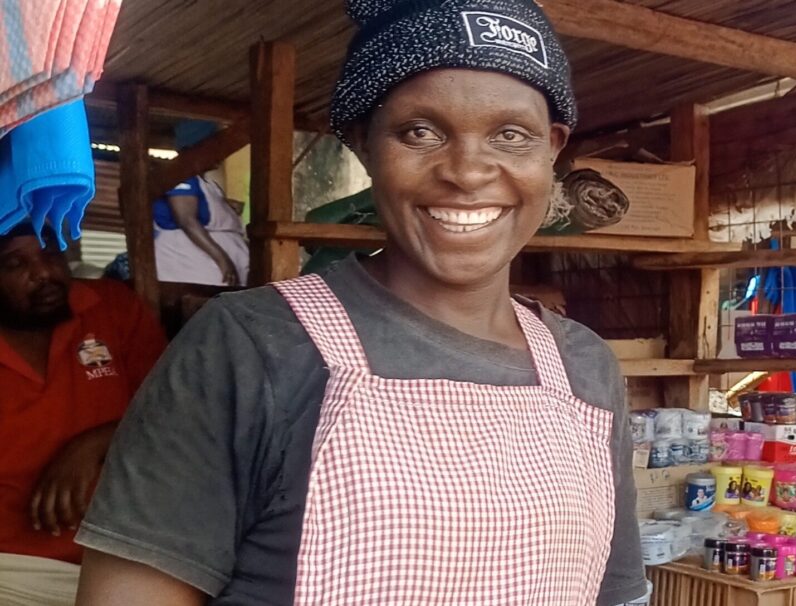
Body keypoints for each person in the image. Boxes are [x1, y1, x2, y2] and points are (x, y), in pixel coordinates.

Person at [75, 1, 647, 604]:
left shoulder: (588, 369)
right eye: (420, 132)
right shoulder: (250, 348)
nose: (468, 172)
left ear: (552, 149)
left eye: (512, 134)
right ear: (363, 144)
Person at [0, 223, 167, 605]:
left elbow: (180, 409)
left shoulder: (111, 308)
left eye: (49, 253)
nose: (43, 273)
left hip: (126, 558)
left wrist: (96, 442)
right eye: (15, 263)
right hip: (12, 568)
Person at [153, 120, 249, 287]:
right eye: (215, 148)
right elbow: (186, 220)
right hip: (192, 264)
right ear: (197, 148)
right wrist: (223, 259)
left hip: (209, 267)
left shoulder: (204, 181)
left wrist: (226, 205)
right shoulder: (178, 176)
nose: (221, 154)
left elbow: (201, 207)